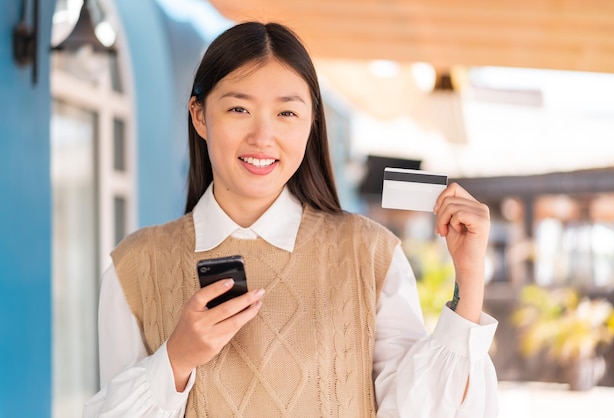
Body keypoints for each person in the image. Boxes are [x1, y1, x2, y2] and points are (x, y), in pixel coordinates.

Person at [83, 21, 498, 418]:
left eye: (286, 113)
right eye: (239, 108)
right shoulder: (136, 266)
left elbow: (416, 411)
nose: (262, 137)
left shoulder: (368, 253)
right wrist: (176, 358)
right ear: (199, 116)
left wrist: (470, 276)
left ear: (311, 121)